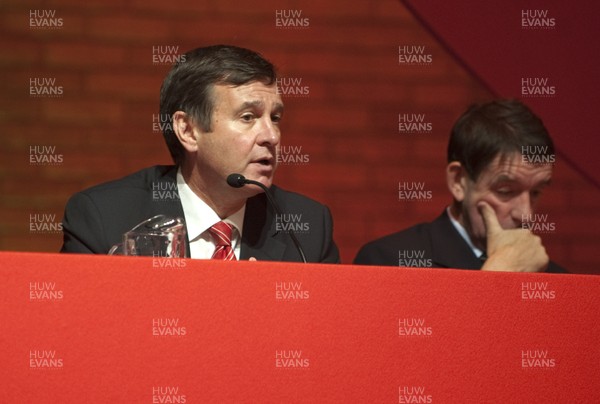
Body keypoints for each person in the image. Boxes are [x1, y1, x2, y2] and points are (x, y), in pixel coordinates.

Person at [61, 45, 339, 263]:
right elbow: (84, 328)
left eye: (275, 117)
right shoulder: (106, 217)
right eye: (247, 117)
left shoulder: (308, 227)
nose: (272, 136)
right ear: (189, 130)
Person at [354, 99, 566, 273]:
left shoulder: (558, 281)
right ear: (458, 182)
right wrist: (499, 275)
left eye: (536, 192)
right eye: (506, 191)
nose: (526, 214)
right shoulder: (388, 262)